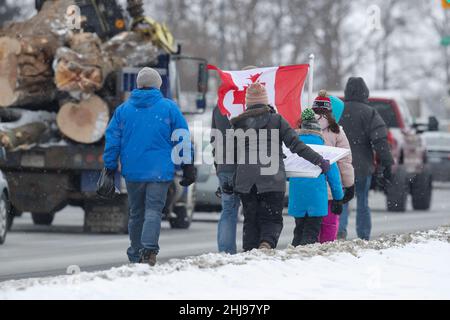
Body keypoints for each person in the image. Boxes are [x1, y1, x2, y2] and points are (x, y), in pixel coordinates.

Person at [103, 67, 196, 266]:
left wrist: (110, 166)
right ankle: (148, 251)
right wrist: (187, 165)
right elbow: (182, 137)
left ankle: (136, 252)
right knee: (153, 211)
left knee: (136, 212)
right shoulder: (169, 108)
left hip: (133, 171)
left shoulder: (123, 110)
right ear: (157, 86)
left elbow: (112, 141)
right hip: (159, 172)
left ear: (138, 85)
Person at [230, 82, 331, 251]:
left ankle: (249, 254)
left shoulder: (239, 123)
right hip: (271, 176)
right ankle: (266, 244)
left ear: (248, 103)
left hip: (246, 180)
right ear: (265, 100)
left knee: (251, 220)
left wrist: (230, 180)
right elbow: (297, 145)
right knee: (272, 219)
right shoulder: (276, 120)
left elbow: (232, 156)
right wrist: (319, 161)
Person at [338, 77, 394, 240]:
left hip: (341, 164)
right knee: (363, 201)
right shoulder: (370, 112)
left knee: (342, 200)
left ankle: (340, 231)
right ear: (365, 91)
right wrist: (386, 163)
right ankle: (363, 236)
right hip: (363, 167)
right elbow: (380, 140)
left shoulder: (339, 110)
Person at [288, 109, 344, 246]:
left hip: (298, 197)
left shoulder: (293, 148)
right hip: (316, 199)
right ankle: (305, 259)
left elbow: (287, 173)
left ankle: (294, 257)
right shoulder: (324, 149)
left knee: (299, 230)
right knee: (312, 233)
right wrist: (338, 198)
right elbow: (334, 177)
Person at [311, 90, 355, 243]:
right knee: (329, 224)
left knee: (309, 225)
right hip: (330, 186)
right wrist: (349, 185)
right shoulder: (337, 131)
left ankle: (309, 250)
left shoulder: (300, 127)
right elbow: (344, 161)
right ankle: (326, 250)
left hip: (308, 185)